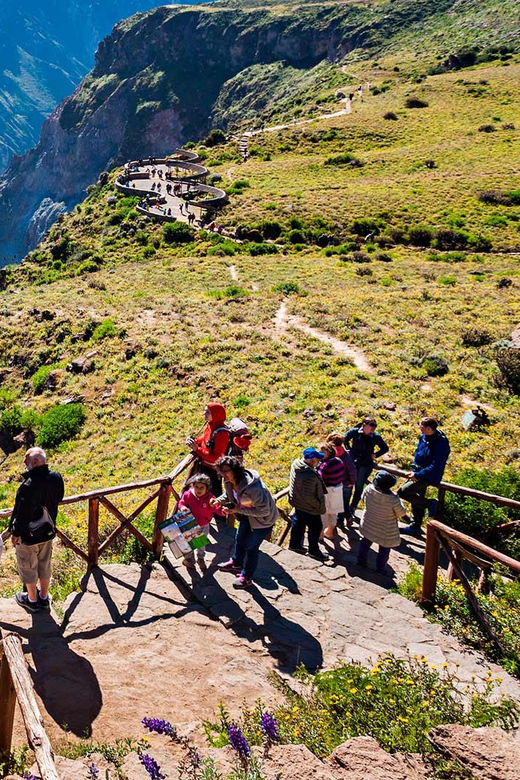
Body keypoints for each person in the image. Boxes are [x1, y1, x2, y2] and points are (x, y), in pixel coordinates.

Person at [9, 447, 64, 612]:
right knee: (44, 564)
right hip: (47, 530)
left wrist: (16, 533)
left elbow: (22, 513)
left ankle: (32, 600)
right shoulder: (55, 478)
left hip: (29, 535)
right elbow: (59, 497)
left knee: (27, 566)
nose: (25, 465)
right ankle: (44, 597)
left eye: (26, 462)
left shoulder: (29, 484)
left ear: (33, 463)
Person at [214, 456, 277, 589]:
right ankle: (236, 563)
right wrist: (219, 500)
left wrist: (237, 510)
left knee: (251, 548)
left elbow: (264, 511)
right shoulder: (229, 481)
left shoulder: (253, 488)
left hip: (262, 521)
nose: (221, 474)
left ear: (235, 470)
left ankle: (246, 577)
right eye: (220, 470)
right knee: (240, 539)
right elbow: (230, 494)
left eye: (225, 470)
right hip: (247, 515)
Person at [398, 418, 450, 535]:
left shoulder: (441, 443)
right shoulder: (423, 437)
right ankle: (415, 526)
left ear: (428, 428)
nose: (419, 427)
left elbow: (436, 465)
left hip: (429, 475)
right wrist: (414, 470)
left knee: (404, 492)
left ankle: (431, 504)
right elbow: (418, 454)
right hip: (418, 472)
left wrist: (418, 474)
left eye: (421, 425)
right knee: (416, 498)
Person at [357, 471, 408, 574]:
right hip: (385, 529)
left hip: (369, 522)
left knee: (365, 542)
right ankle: (380, 568)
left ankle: (360, 561)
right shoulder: (393, 499)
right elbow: (401, 513)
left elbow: (363, 499)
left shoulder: (368, 489)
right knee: (384, 549)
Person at [288, 447, 329, 562]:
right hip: (309, 507)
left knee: (298, 523)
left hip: (298, 503)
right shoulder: (309, 476)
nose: (319, 462)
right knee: (316, 527)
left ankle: (295, 546)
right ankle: (314, 551)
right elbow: (309, 496)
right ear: (311, 460)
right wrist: (319, 505)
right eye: (318, 460)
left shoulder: (296, 465)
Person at [344, 418, 389, 516]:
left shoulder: (375, 437)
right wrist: (349, 451)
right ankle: (344, 509)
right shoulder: (355, 431)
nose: (373, 428)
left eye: (375, 426)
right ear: (364, 424)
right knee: (348, 484)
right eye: (371, 425)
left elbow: (385, 448)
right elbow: (345, 439)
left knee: (359, 486)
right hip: (353, 462)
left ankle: (352, 507)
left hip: (365, 463)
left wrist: (375, 455)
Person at [178, 473, 223, 570]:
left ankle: (200, 558)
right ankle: (189, 560)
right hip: (189, 523)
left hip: (203, 525)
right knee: (188, 542)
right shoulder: (188, 494)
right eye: (196, 487)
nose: (198, 490)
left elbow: (218, 509)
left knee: (201, 543)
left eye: (201, 487)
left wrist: (223, 511)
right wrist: (183, 507)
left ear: (207, 488)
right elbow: (181, 502)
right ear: (192, 486)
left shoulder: (210, 498)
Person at [186, 403, 230, 496]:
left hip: (212, 472)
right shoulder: (210, 425)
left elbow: (216, 458)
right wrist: (194, 442)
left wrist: (197, 450)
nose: (204, 413)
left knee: (212, 497)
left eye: (208, 412)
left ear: (215, 414)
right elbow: (203, 439)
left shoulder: (221, 434)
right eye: (205, 410)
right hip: (204, 467)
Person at [326, 433, 357, 529]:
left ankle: (332, 525)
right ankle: (342, 521)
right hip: (346, 483)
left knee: (334, 504)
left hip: (334, 484)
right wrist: (352, 482)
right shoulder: (346, 454)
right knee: (345, 503)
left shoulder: (329, 454)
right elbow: (352, 469)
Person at [318, 443, 345, 540]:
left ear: (328, 453)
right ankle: (330, 532)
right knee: (334, 512)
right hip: (337, 489)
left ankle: (320, 534)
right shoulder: (339, 461)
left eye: (322, 452)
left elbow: (320, 479)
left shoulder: (325, 465)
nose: (320, 454)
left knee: (323, 513)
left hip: (327, 491)